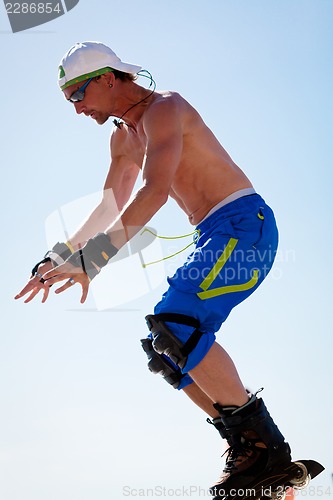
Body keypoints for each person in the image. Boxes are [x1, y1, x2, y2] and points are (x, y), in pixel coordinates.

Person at [15, 41, 292, 498]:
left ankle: (266, 451)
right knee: (163, 348)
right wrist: (61, 255)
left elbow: (154, 192)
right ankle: (251, 451)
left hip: (243, 226)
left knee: (176, 326)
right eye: (69, 101)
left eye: (78, 95)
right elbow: (110, 205)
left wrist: (95, 261)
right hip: (214, 235)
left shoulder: (165, 109)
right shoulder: (123, 136)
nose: (76, 107)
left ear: (108, 77)